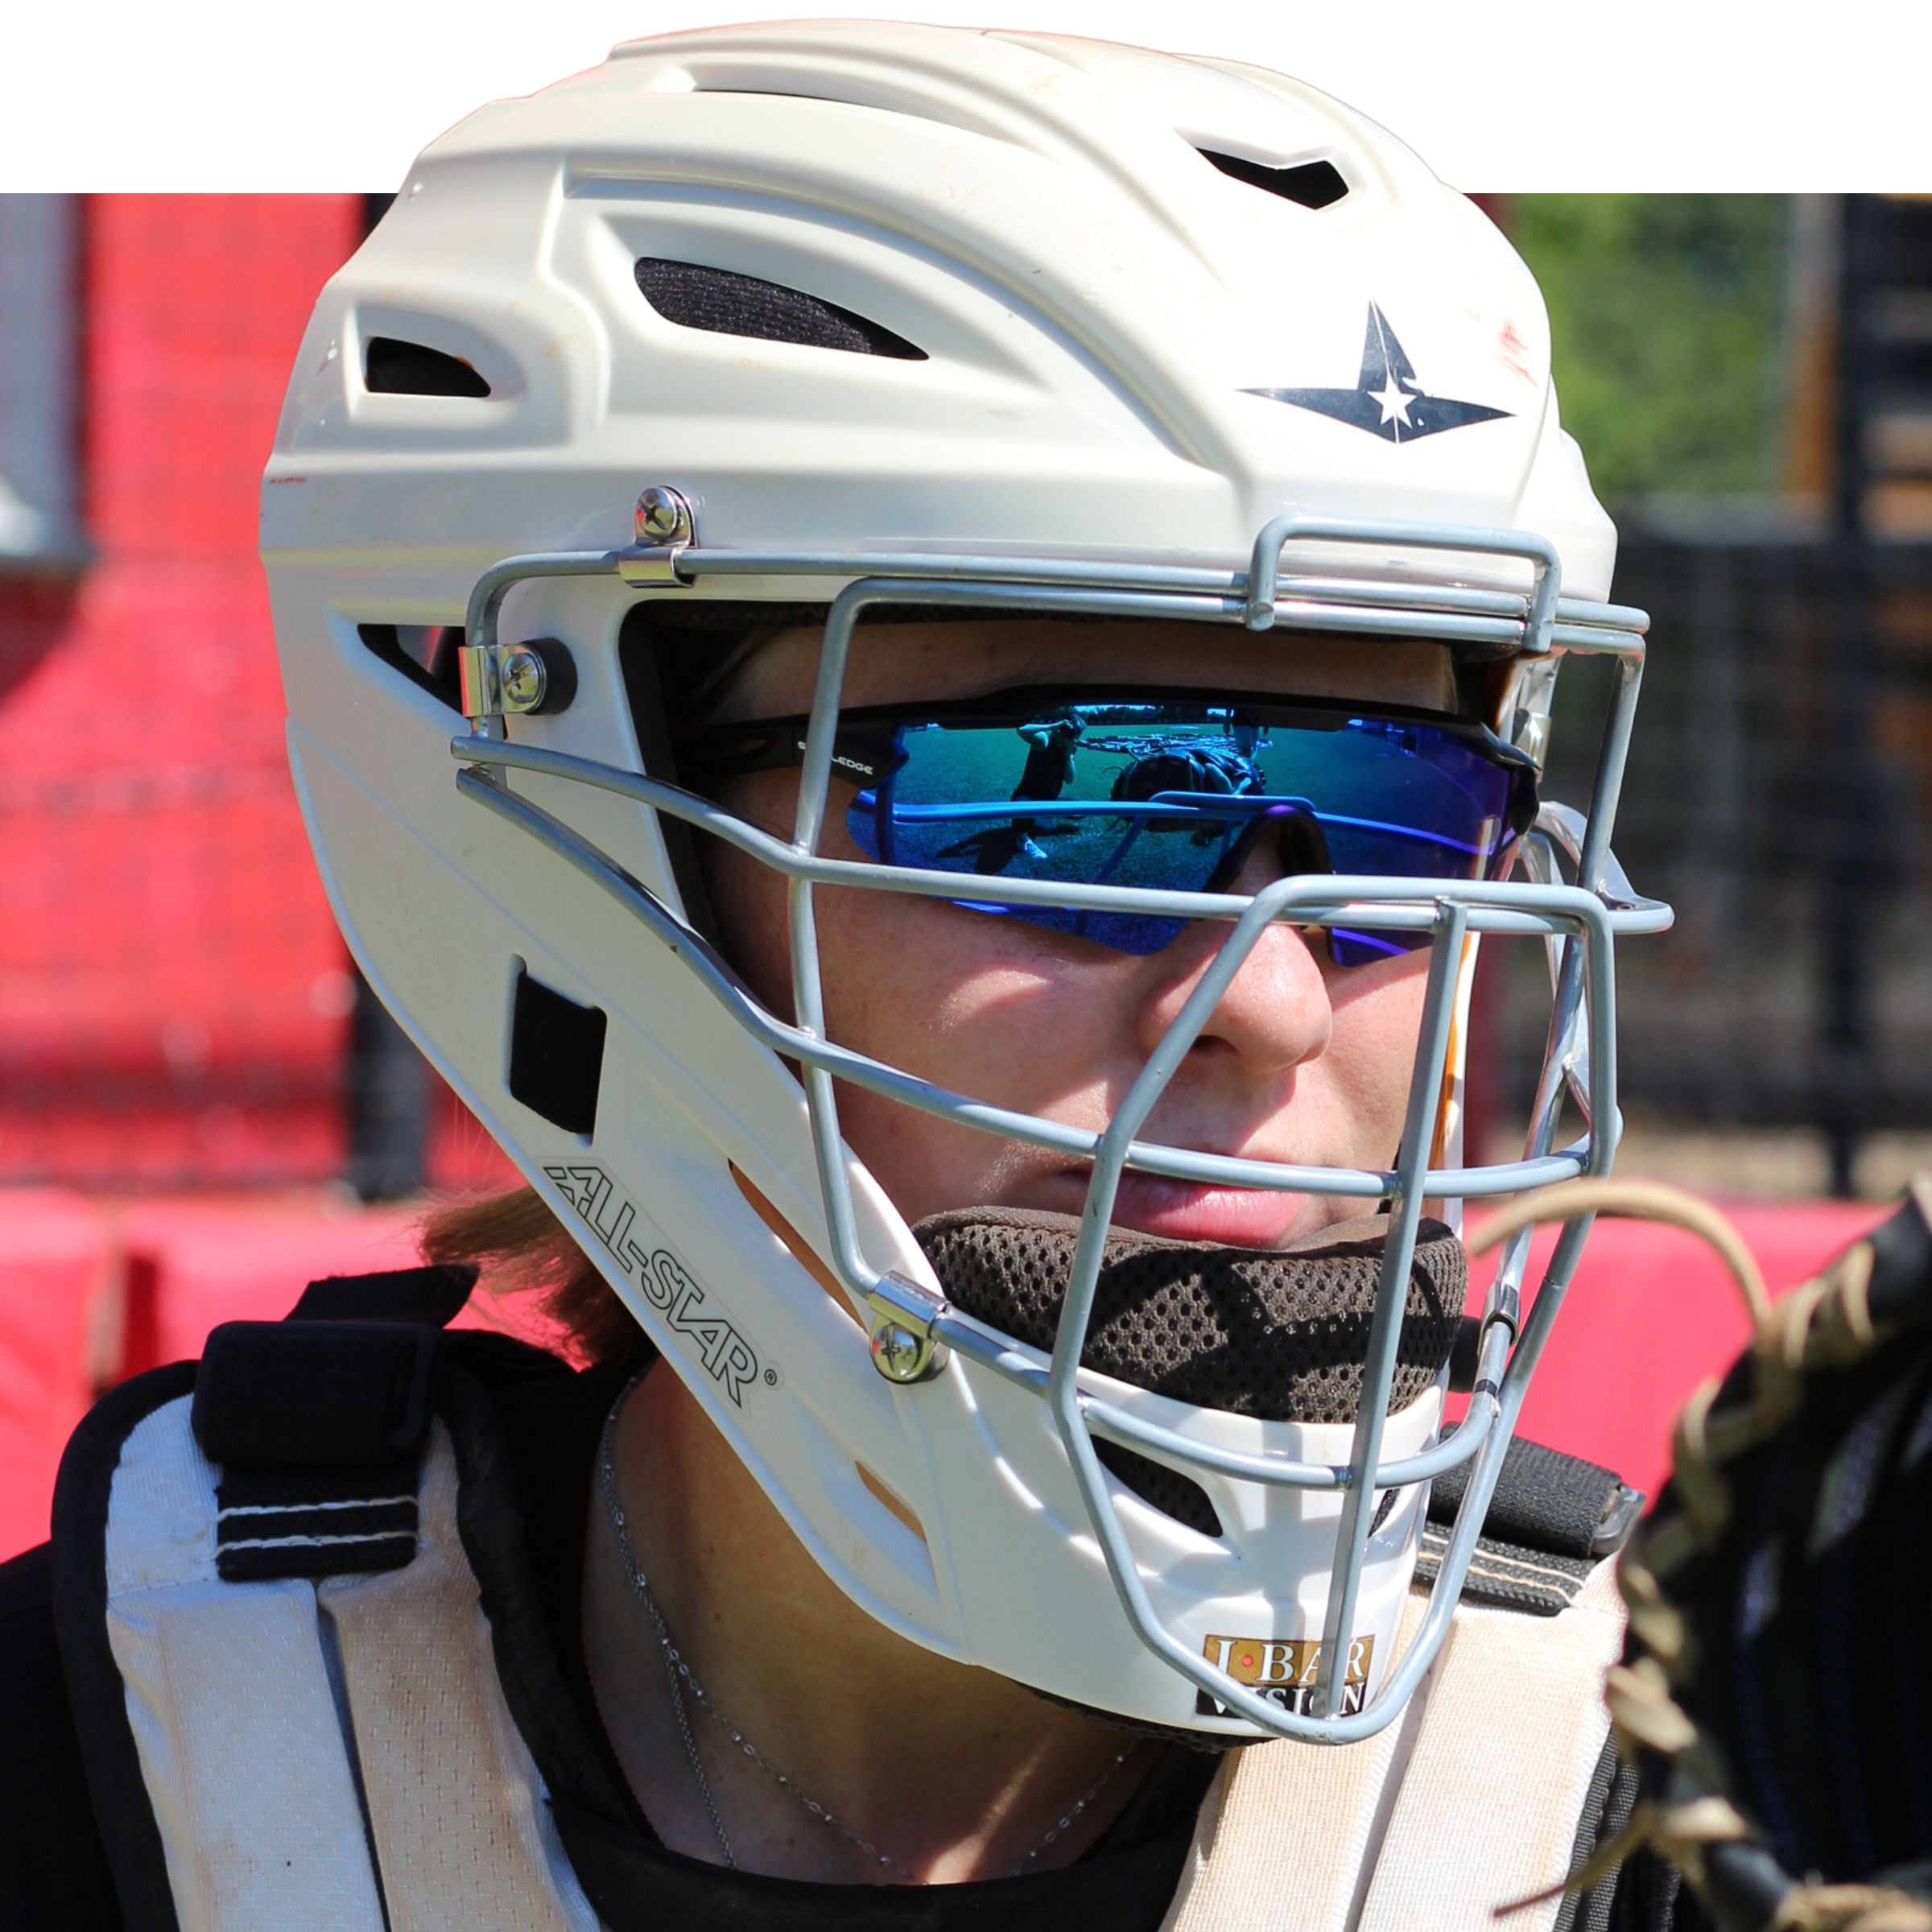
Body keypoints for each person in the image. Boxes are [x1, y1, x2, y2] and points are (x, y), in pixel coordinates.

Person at [1, 22, 1686, 1930]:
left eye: (1400, 816)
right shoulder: (109, 1765)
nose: (1278, 1002)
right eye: (1063, 802)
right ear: (577, 845)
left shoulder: (1673, 1813)